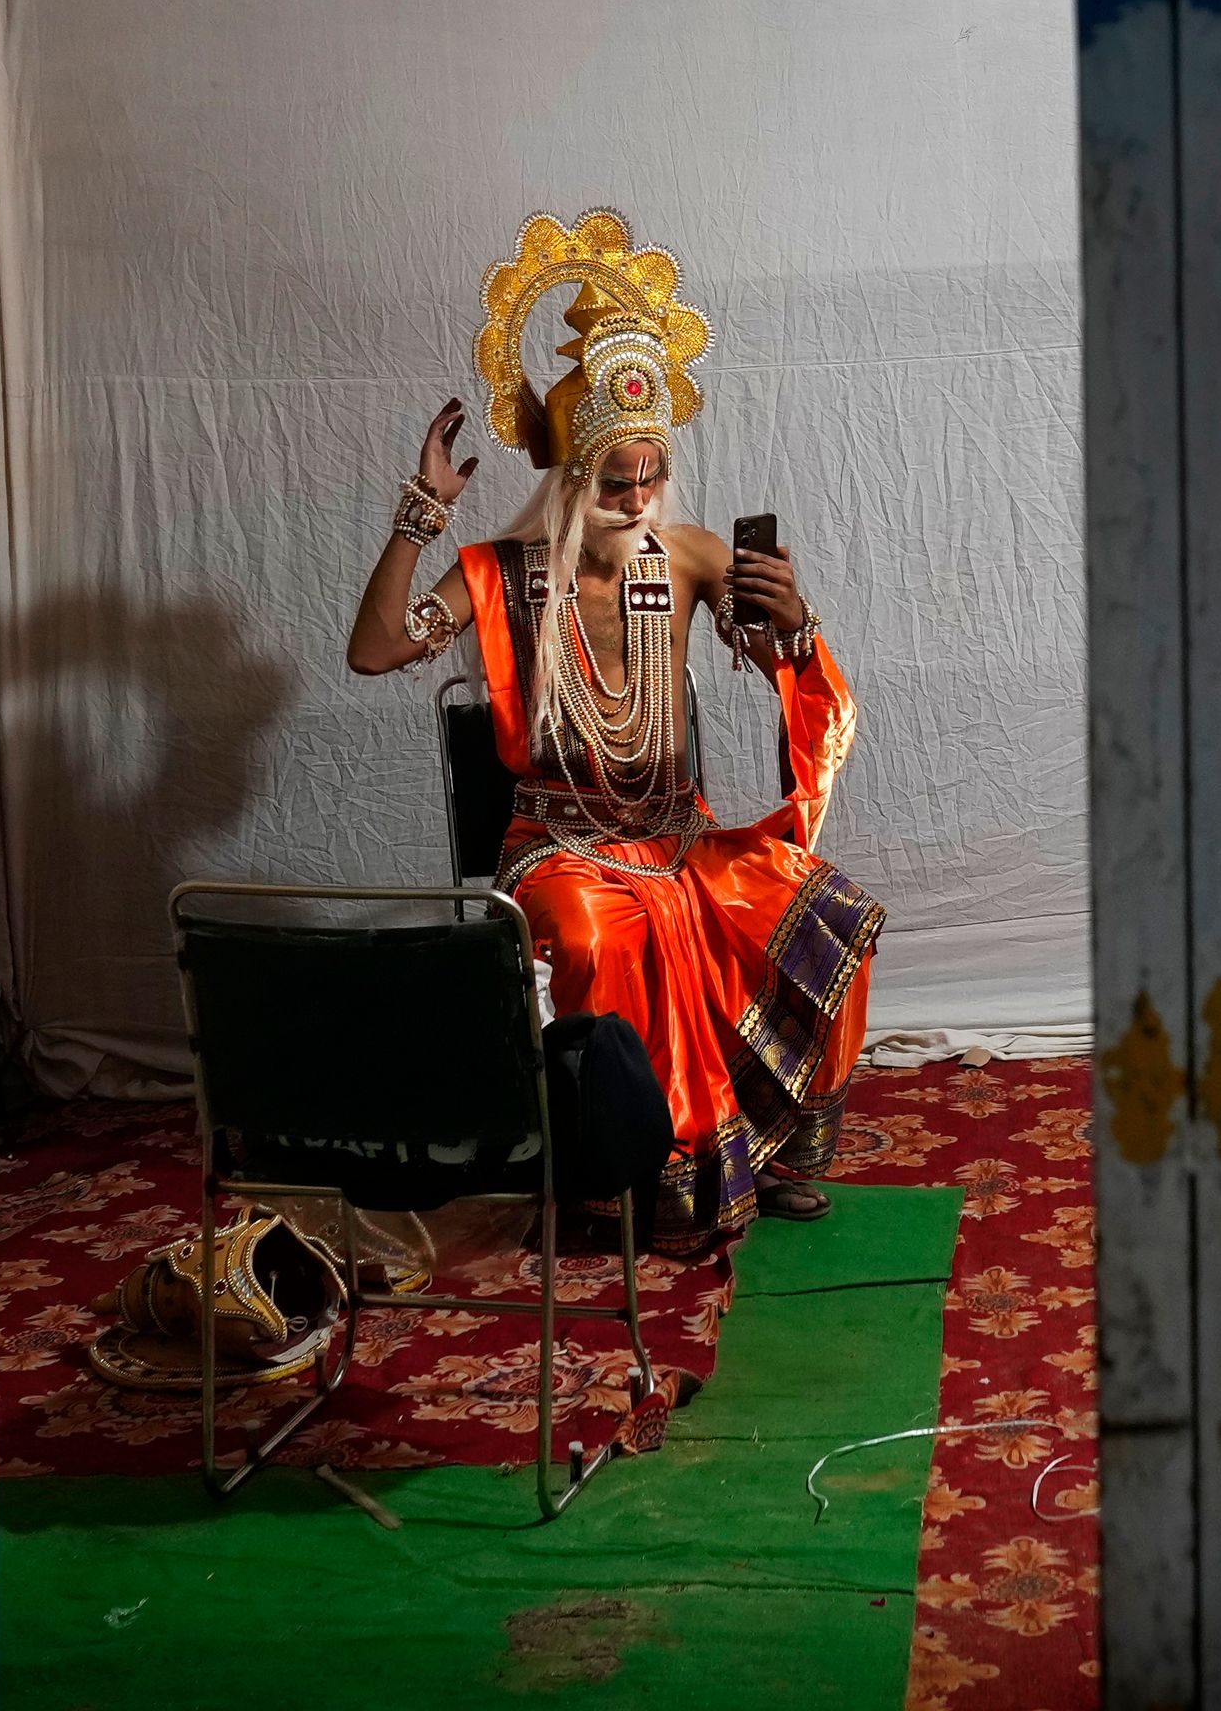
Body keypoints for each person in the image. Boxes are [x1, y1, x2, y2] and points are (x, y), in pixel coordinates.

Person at [346, 209, 881, 1245]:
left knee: (817, 908)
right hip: (561, 849)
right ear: (569, 476)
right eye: (614, 480)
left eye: (650, 476)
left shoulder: (681, 555)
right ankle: (624, 1177)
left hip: (679, 836)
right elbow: (373, 652)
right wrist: (422, 510)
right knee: (602, 933)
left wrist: (793, 614)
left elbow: (782, 653)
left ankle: (749, 1149)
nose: (636, 499)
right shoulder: (497, 575)